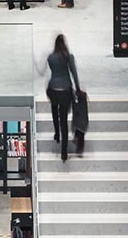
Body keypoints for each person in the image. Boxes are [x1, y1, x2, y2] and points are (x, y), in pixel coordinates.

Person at [46, 34, 81, 162]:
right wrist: (77, 88)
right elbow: (74, 74)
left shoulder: (51, 57)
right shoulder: (68, 57)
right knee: (64, 119)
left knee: (54, 109)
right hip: (65, 90)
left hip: (53, 88)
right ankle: (64, 151)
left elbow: (52, 70)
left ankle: (56, 133)